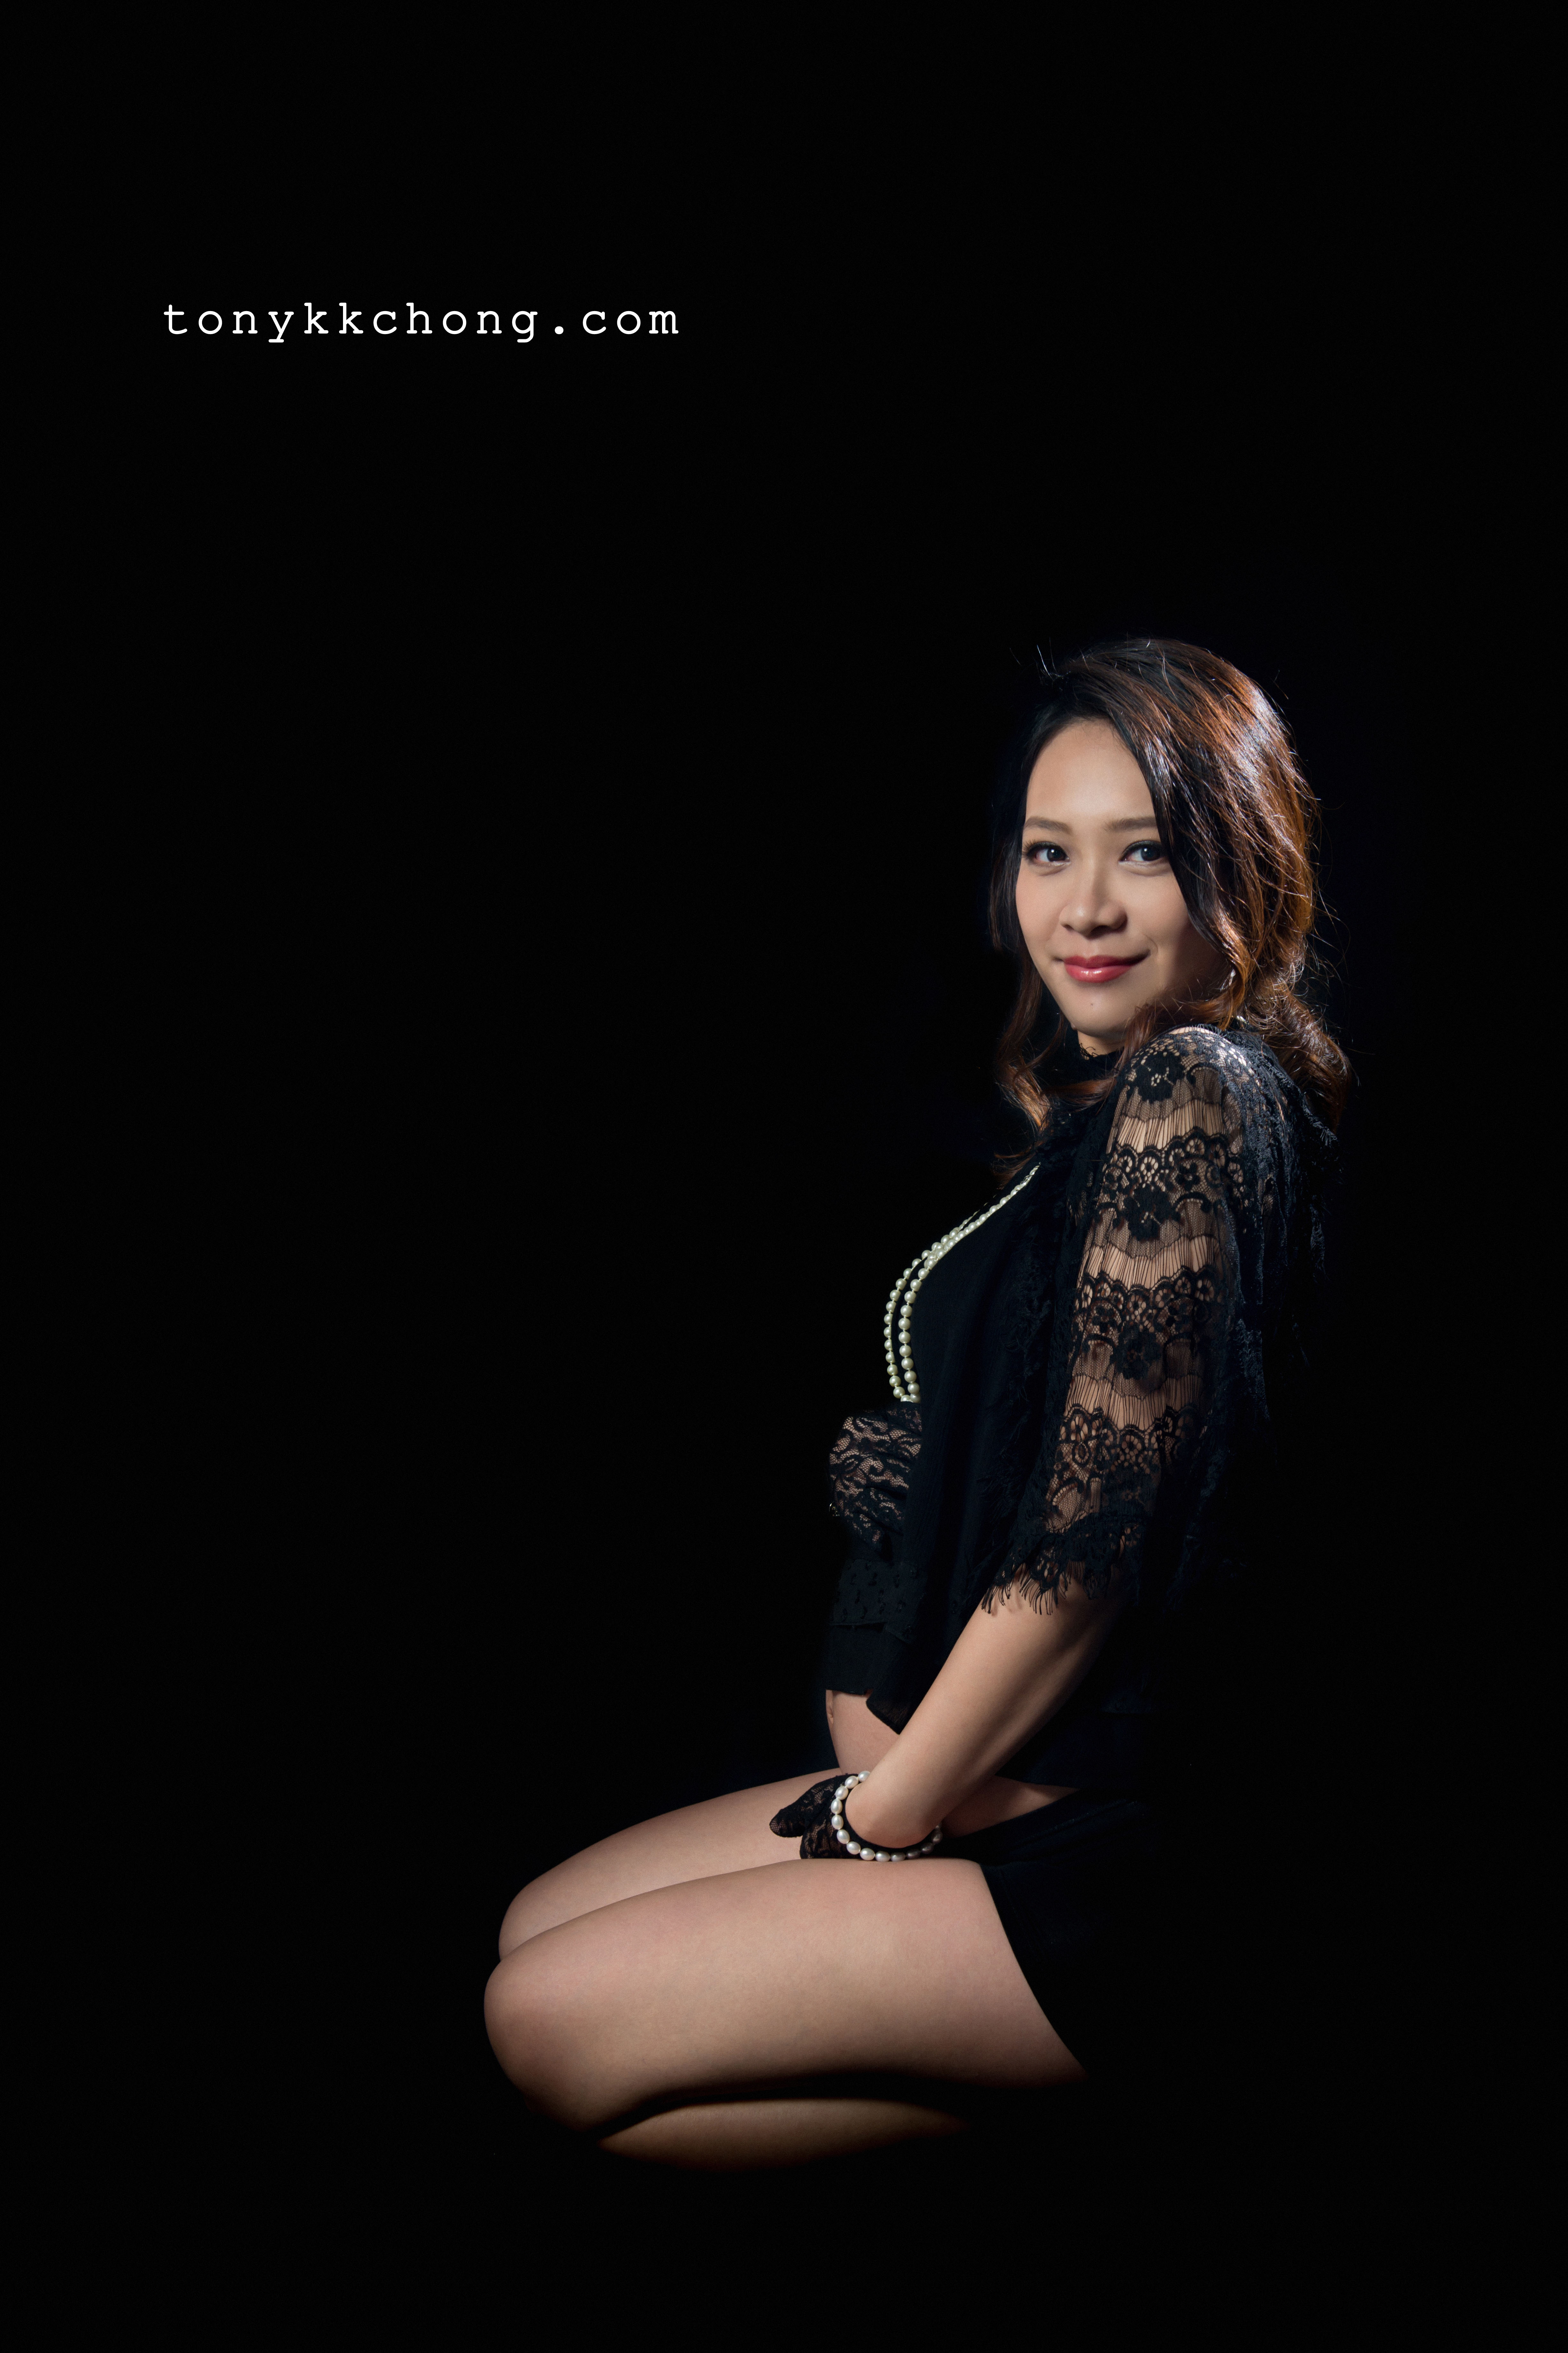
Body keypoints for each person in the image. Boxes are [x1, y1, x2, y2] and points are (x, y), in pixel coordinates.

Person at [484, 639, 1347, 2168]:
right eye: (1048, 851)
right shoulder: (1114, 1122)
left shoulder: (1190, 1095)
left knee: (541, 2020)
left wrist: (880, 1819)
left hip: (1104, 1844)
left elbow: (1089, 1556)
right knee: (531, 1931)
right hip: (988, 1785)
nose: (1083, 907)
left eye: (1144, 852)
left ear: (1237, 872)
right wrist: (927, 1476)